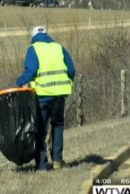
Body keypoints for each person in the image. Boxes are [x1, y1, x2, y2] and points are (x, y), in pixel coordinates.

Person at [15, 25, 75, 172]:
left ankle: (42, 165)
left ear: (33, 37)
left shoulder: (33, 48)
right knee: (58, 126)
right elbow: (71, 70)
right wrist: (68, 82)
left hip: (42, 96)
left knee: (40, 130)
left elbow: (32, 70)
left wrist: (18, 82)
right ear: (47, 35)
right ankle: (57, 161)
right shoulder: (59, 47)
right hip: (59, 95)